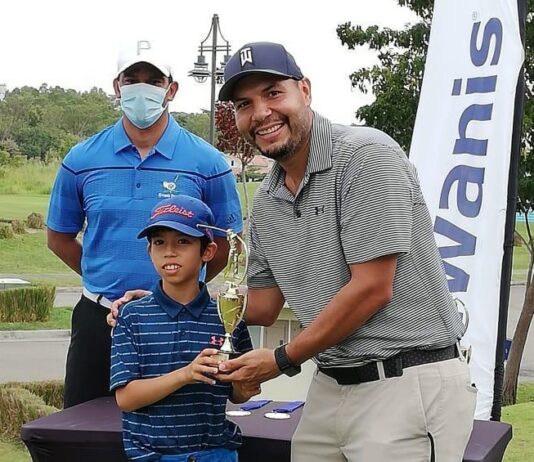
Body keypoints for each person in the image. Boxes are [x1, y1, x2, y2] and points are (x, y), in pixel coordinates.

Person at [109, 42, 476, 461]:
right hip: (331, 382)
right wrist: (166, 301)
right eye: (244, 104)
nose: (261, 112)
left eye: (273, 93)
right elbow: (263, 307)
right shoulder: (268, 200)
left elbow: (373, 288)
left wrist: (282, 359)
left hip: (405, 377)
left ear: (305, 89)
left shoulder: (365, 156)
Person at [47, 45, 242, 408]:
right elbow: (59, 238)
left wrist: (172, 289)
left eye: (153, 81)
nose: (142, 88)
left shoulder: (208, 163)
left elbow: (225, 245)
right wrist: (102, 279)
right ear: (117, 87)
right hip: (98, 319)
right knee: (84, 428)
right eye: (131, 79)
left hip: (177, 321)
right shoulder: (82, 159)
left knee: (175, 425)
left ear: (171, 89)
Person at [111, 194, 255, 462]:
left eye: (183, 241)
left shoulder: (228, 315)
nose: (169, 251)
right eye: (159, 242)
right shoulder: (132, 316)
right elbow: (126, 398)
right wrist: (186, 374)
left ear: (207, 251)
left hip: (216, 454)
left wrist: (244, 389)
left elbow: (236, 393)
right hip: (153, 456)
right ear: (149, 251)